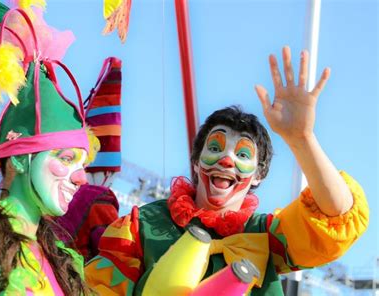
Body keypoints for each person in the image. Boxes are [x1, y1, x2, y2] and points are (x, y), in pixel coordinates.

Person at [84, 46, 369, 295]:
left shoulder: (266, 236)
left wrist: (302, 139)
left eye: (243, 153)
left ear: (258, 175)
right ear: (196, 162)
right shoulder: (139, 226)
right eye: (216, 147)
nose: (227, 160)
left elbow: (337, 215)